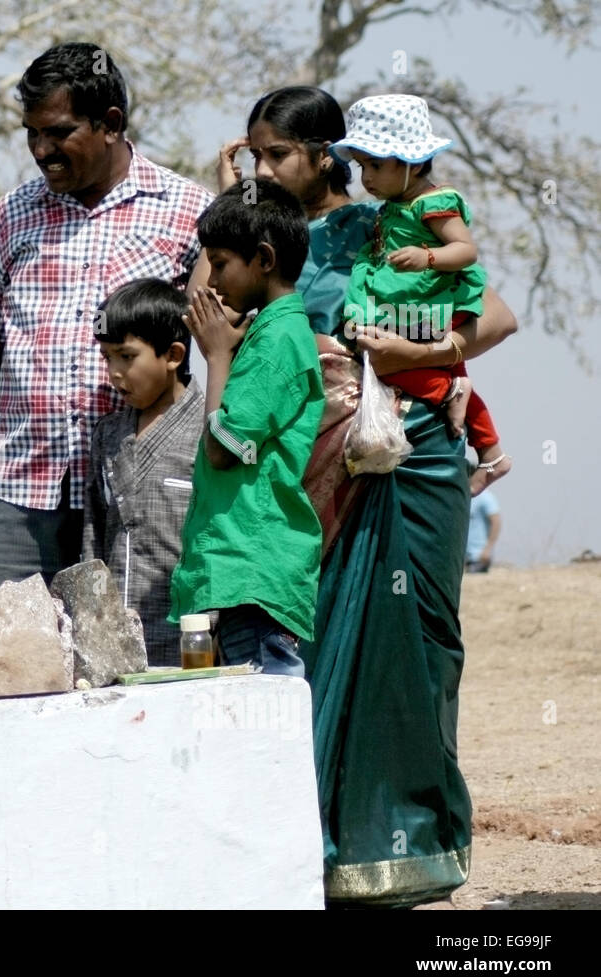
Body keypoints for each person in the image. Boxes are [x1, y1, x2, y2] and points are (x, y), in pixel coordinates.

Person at [217, 86, 519, 906]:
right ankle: (320, 846)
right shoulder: (267, 237)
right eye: (253, 155)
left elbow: (494, 315)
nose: (264, 168)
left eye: (277, 154)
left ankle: (419, 840)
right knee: (317, 643)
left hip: (409, 453)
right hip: (308, 468)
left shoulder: (386, 222)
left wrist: (413, 352)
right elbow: (214, 324)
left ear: (330, 156)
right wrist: (229, 205)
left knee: (421, 637)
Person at [0, 41, 213, 596]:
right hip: (20, 496)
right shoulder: (11, 217)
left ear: (110, 123)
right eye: (31, 133)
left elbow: (225, 345)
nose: (41, 149)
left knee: (135, 666)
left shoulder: (189, 214)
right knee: (19, 667)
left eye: (58, 133)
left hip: (140, 492)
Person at [169, 181, 323, 677]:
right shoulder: (268, 331)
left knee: (267, 729)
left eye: (219, 263)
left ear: (263, 258)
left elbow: (225, 448)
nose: (210, 281)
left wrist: (216, 355)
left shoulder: (277, 340)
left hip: (254, 571)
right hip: (242, 571)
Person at [331, 94, 510, 496]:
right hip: (408, 309)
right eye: (362, 166)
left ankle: (481, 436)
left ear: (410, 162)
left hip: (432, 305)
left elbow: (466, 250)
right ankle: (490, 452)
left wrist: (427, 256)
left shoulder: (433, 203)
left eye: (376, 165)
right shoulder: (396, 204)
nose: (367, 178)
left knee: (393, 365)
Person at [83, 279, 203, 667]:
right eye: (107, 358)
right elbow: (94, 536)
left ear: (172, 354)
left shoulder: (210, 431)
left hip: (189, 640)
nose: (114, 373)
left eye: (126, 356)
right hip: (116, 646)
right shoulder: (108, 436)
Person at [466, 490, 500, 573]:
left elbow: (496, 522)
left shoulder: (485, 497)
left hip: (478, 556)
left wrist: (487, 549)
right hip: (463, 557)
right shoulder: (463, 496)